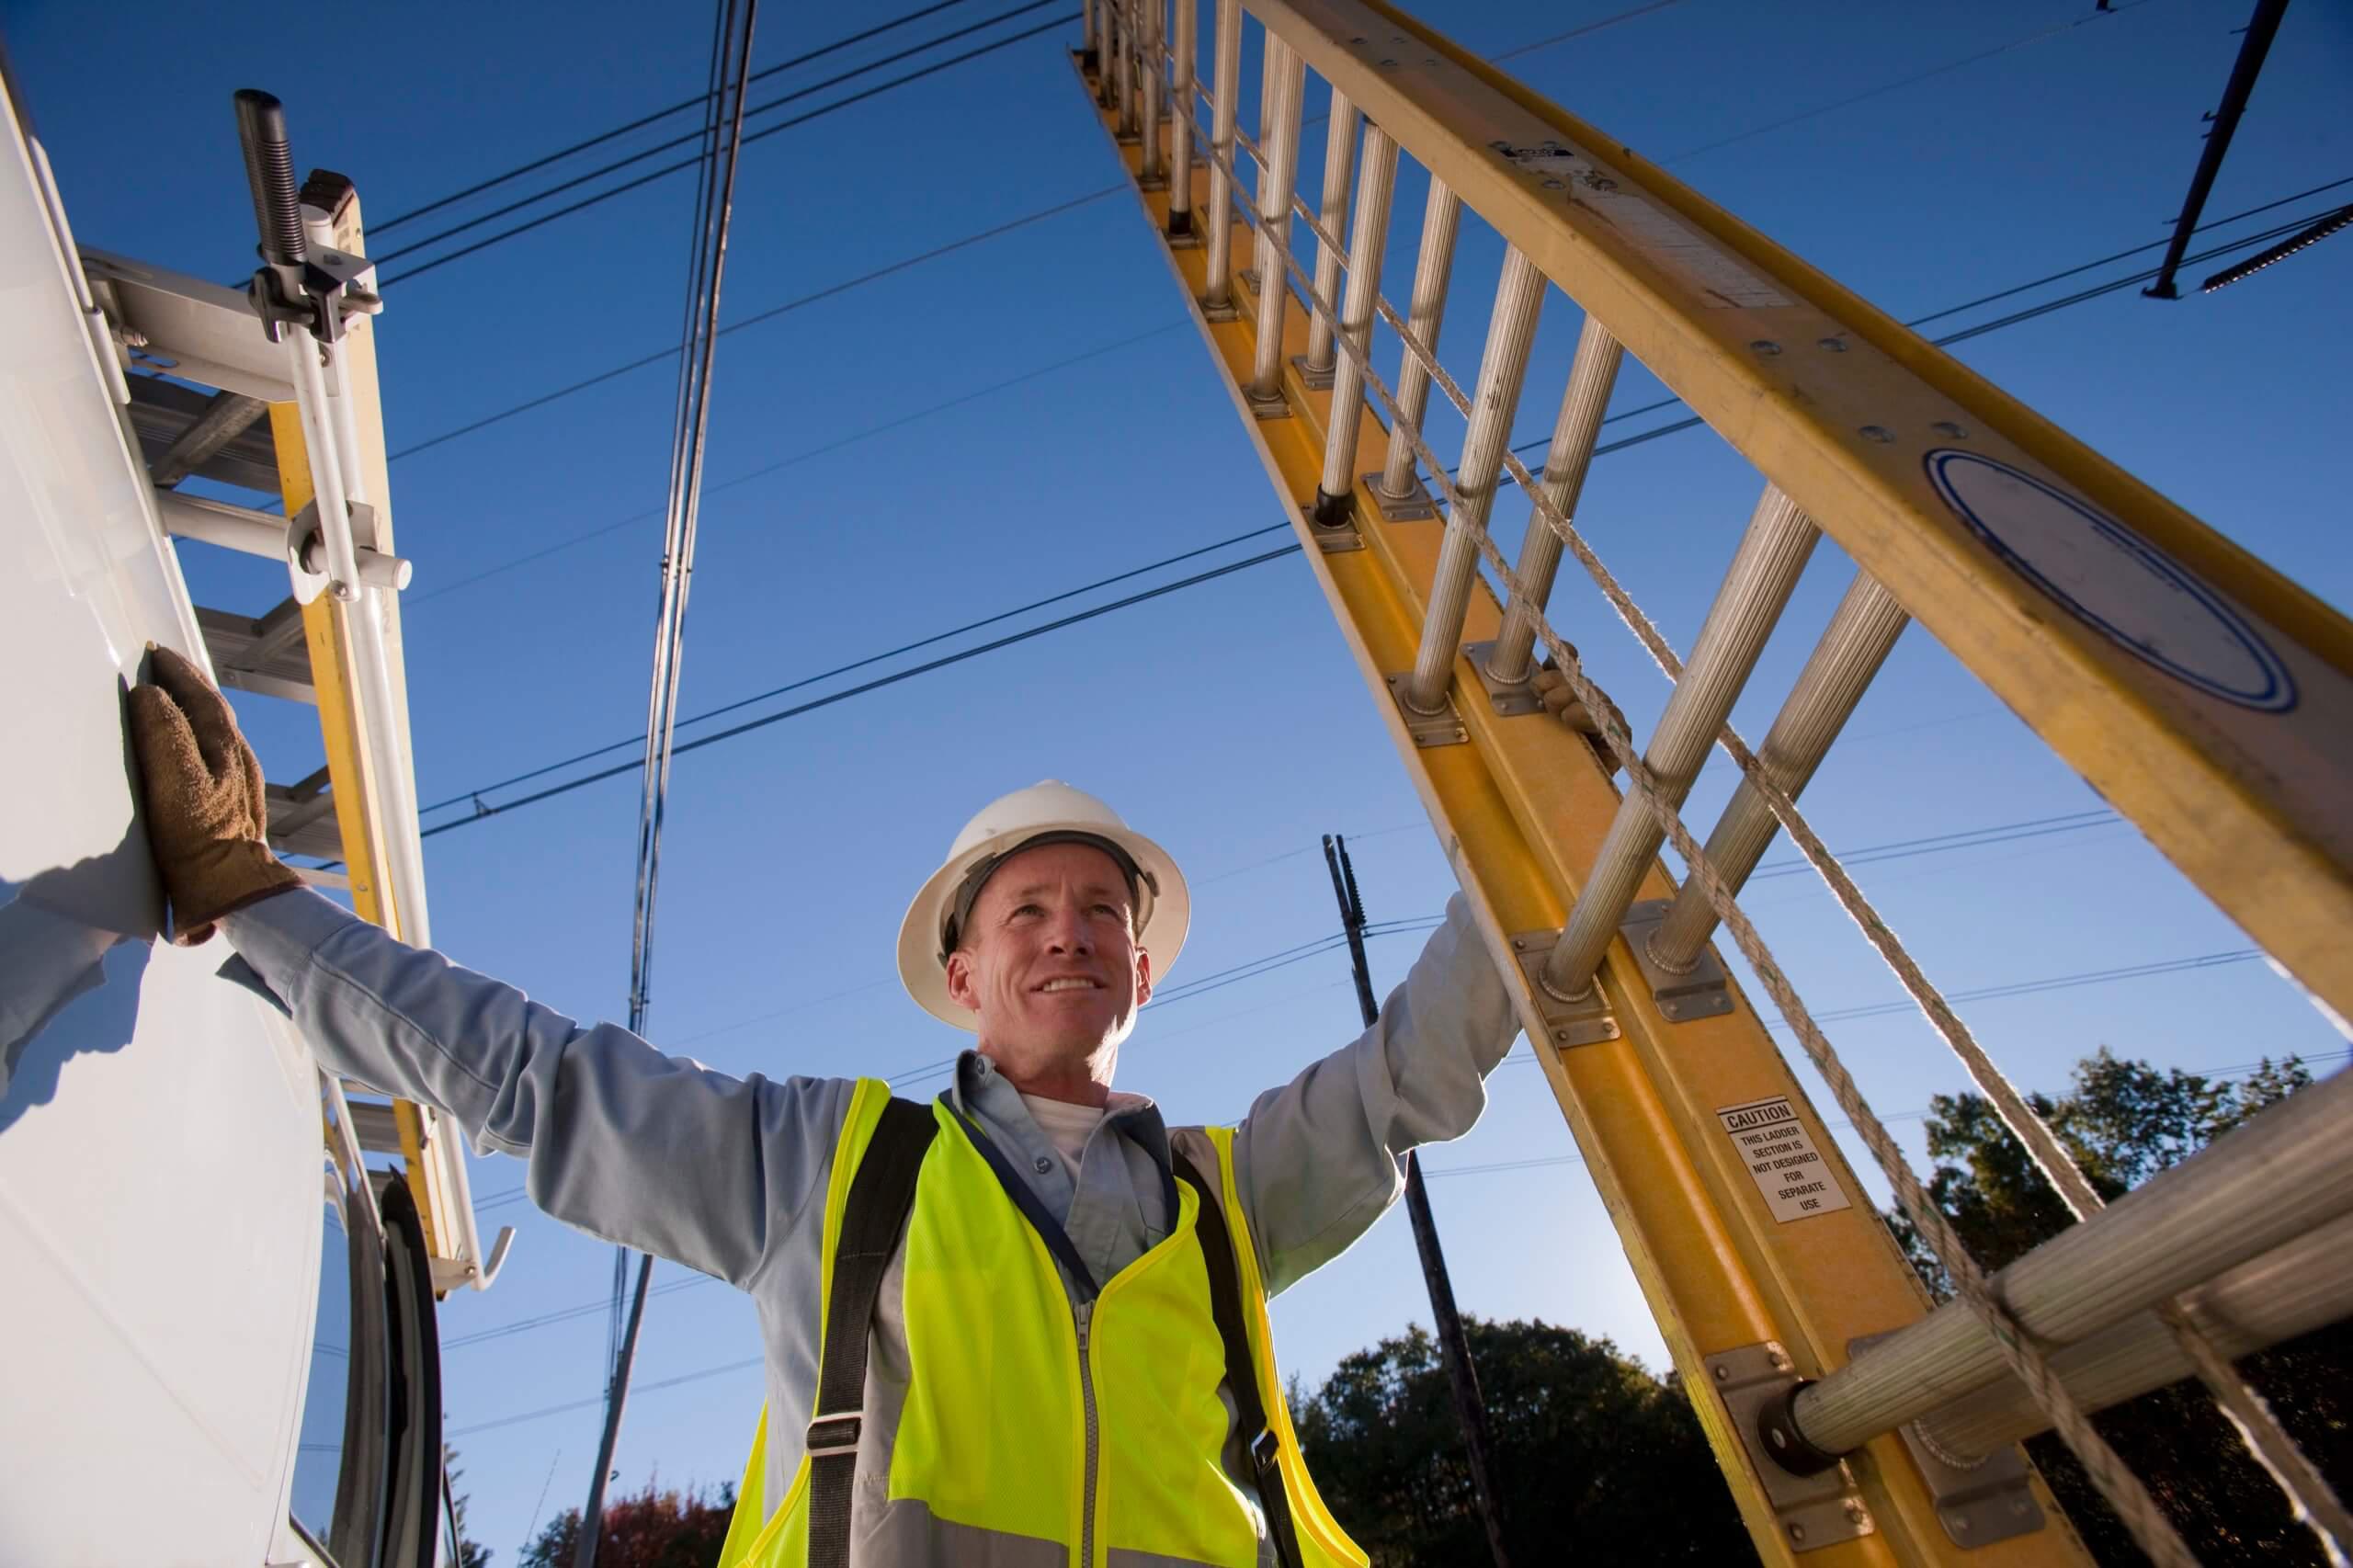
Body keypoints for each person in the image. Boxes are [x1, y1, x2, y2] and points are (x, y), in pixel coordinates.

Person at [128, 646, 1525, 1568]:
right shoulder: (827, 1164)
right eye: (1026, 908)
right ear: (962, 971)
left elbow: (1411, 1069)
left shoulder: (1231, 1194)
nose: (1069, 932)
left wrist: (1530, 844)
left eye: (1101, 908)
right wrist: (262, 908)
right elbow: (535, 1076)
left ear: (1141, 969)